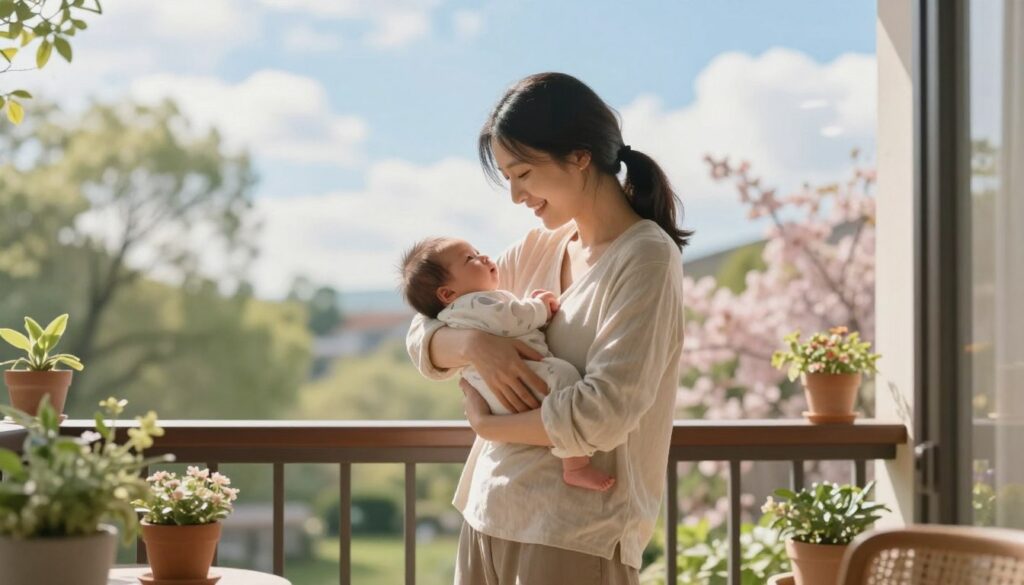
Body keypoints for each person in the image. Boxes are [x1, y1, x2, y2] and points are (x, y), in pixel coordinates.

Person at [406, 72, 690, 584]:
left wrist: (490, 427)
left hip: (575, 534)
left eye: (523, 173)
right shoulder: (539, 248)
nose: (516, 196)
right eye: (508, 178)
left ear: (579, 156)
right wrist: (474, 342)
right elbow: (426, 330)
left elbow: (602, 415)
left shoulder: (645, 257)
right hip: (488, 511)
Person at [399, 235, 616, 491]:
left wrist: (486, 424)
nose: (484, 257)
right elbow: (510, 317)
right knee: (565, 376)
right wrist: (540, 307)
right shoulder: (477, 302)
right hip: (517, 386)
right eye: (471, 259)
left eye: (478, 250)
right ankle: (575, 464)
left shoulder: (455, 311)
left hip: (492, 400)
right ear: (447, 293)